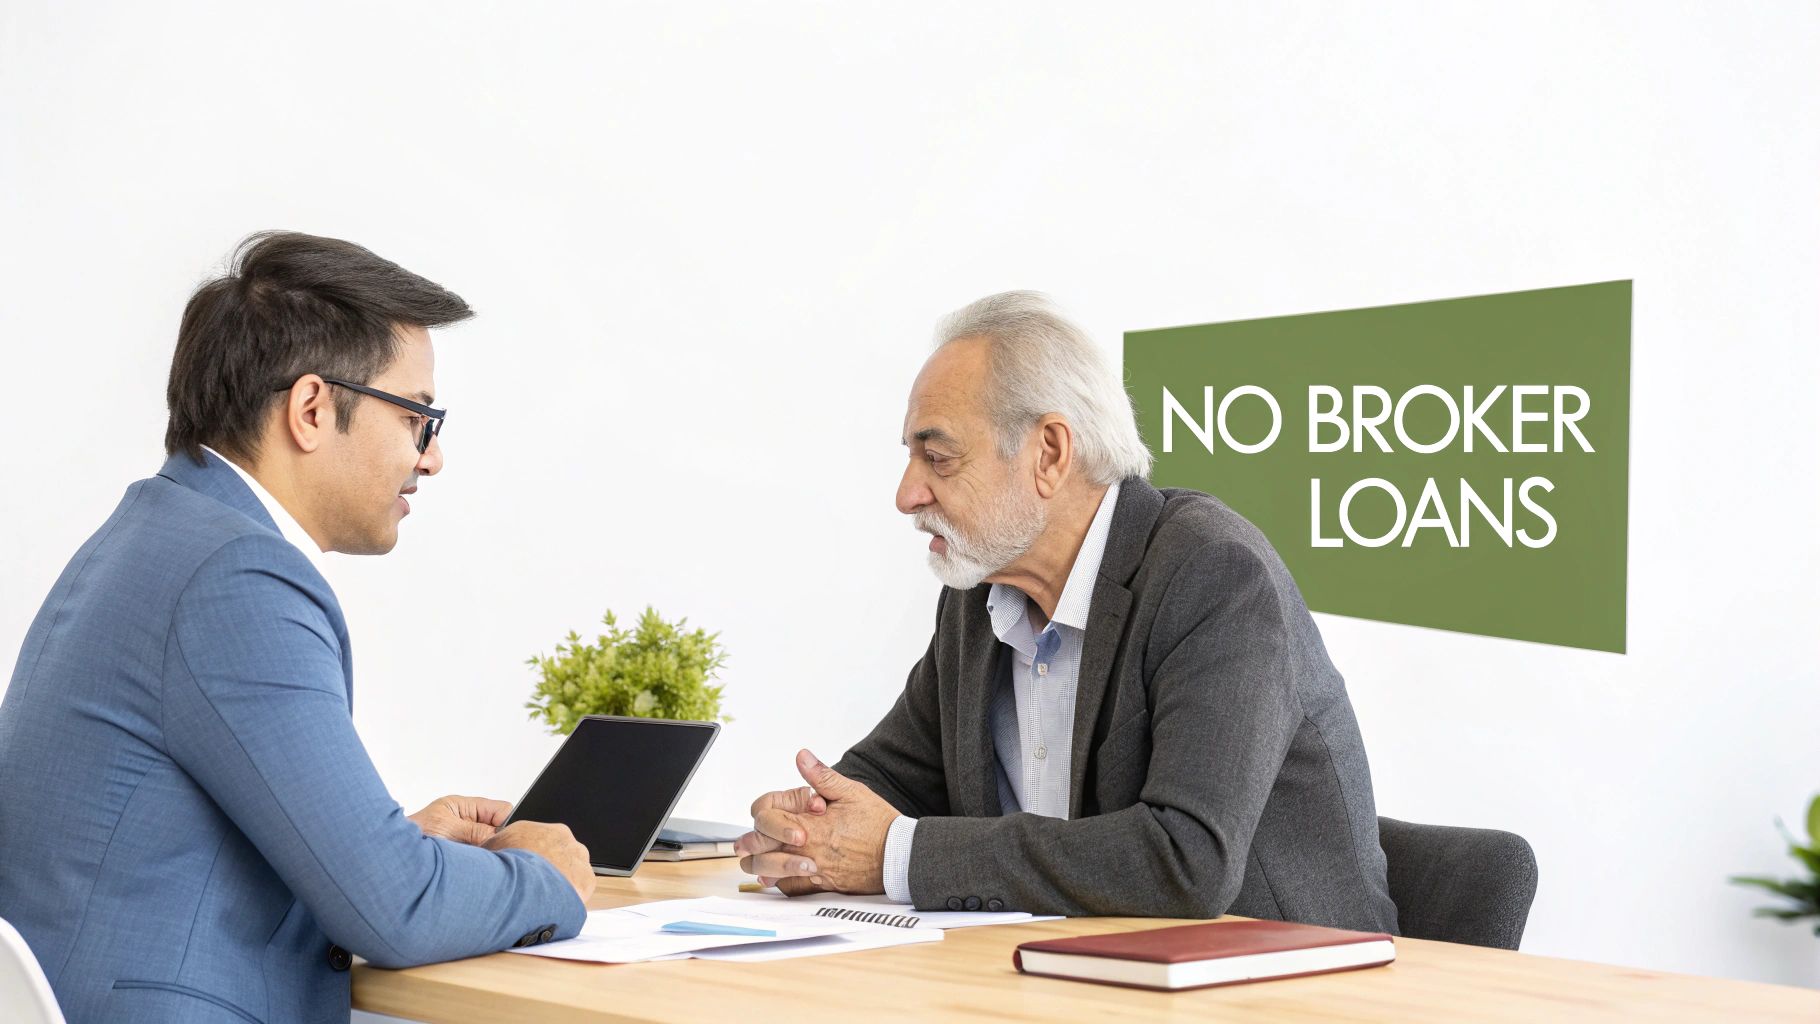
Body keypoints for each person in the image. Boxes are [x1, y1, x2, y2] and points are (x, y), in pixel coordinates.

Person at [0, 232, 595, 1024]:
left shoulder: (154, 533)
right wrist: (541, 873)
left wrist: (390, 847)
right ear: (312, 409)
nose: (434, 457)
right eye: (420, 417)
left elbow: (181, 850)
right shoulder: (237, 576)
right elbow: (394, 908)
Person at [735, 291, 1397, 931]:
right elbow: (892, 780)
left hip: (1286, 986)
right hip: (1068, 975)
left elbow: (1187, 860)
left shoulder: (1213, 574)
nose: (908, 494)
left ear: (1050, 452)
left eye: (937, 457)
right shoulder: (978, 596)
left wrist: (895, 856)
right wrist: (807, 834)